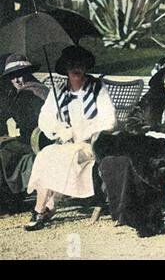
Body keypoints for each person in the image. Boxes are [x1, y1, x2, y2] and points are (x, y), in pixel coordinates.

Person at [93, 54, 165, 237]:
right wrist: (148, 130)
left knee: (138, 158)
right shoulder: (153, 96)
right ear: (162, 76)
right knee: (117, 158)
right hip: (148, 141)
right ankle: (129, 214)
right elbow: (132, 121)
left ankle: (148, 219)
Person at [24, 45, 117, 231]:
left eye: (80, 64)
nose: (77, 68)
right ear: (65, 67)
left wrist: (84, 130)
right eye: (72, 64)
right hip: (66, 143)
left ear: (86, 67)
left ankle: (39, 210)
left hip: (91, 144)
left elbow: (110, 120)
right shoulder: (59, 91)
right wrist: (59, 128)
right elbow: (44, 118)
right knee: (46, 155)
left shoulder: (97, 88)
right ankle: (47, 207)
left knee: (62, 158)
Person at [0, 54, 49, 213]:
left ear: (28, 73)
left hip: (39, 140)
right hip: (39, 138)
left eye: (19, 75)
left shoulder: (30, 93)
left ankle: (12, 197)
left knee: (4, 148)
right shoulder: (39, 87)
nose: (16, 80)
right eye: (12, 77)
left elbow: (28, 123)